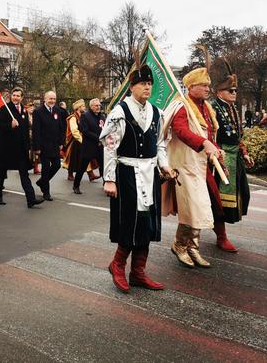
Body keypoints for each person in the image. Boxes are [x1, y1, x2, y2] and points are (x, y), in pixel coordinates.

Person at [100, 63, 173, 293]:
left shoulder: (156, 112)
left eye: (150, 84)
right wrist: (109, 179)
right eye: (143, 84)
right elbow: (110, 147)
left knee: (148, 223)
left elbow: (160, 143)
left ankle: (138, 272)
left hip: (150, 174)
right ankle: (118, 265)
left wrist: (165, 165)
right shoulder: (120, 113)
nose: (147, 88)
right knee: (129, 222)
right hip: (127, 173)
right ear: (132, 87)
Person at [165, 65, 222, 268]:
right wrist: (203, 143)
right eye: (204, 85)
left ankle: (193, 247)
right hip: (185, 165)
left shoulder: (206, 107)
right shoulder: (182, 106)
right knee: (192, 208)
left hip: (201, 165)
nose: (208, 89)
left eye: (208, 85)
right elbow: (180, 130)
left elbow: (208, 136)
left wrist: (215, 148)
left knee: (203, 208)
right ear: (191, 86)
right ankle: (180, 245)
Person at [209, 58, 254, 252]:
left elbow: (237, 136)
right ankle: (221, 236)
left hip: (234, 157)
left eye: (235, 91)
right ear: (220, 92)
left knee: (243, 193)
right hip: (219, 159)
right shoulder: (213, 108)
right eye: (231, 91)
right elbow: (210, 135)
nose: (234, 94)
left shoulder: (232, 108)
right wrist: (218, 156)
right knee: (219, 200)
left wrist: (244, 152)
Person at [0, 87, 44, 208]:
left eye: (18, 96)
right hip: (6, 148)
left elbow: (25, 130)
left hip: (20, 149)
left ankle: (31, 199)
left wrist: (27, 147)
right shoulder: (5, 108)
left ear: (22, 97)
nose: (15, 97)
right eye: (14, 95)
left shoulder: (24, 111)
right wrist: (9, 125)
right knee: (1, 172)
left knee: (24, 173)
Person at [32, 91, 66, 201]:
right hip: (43, 146)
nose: (52, 101)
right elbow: (36, 131)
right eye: (50, 98)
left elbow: (62, 128)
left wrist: (61, 143)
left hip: (55, 145)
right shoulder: (38, 112)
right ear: (45, 99)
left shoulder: (58, 111)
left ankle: (42, 182)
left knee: (56, 165)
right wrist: (36, 147)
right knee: (45, 169)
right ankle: (46, 192)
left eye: (54, 99)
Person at [73, 98, 105, 194]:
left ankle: (106, 184)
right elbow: (85, 131)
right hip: (88, 146)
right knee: (82, 167)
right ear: (91, 106)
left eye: (99, 105)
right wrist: (98, 137)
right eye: (96, 105)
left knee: (103, 166)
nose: (98, 107)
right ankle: (76, 185)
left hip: (100, 146)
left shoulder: (102, 116)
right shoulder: (85, 116)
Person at [63, 99, 89, 181]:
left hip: (82, 140)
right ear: (78, 107)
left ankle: (91, 174)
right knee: (73, 158)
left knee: (87, 157)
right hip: (74, 141)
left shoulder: (83, 116)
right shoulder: (73, 118)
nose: (85, 107)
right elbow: (74, 131)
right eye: (83, 106)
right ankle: (70, 174)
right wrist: (81, 140)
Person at [26, 102, 41, 174]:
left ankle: (36, 168)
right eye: (30, 108)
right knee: (27, 153)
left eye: (33, 108)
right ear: (27, 109)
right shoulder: (24, 117)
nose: (32, 109)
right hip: (27, 137)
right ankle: (24, 168)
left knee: (36, 153)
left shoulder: (35, 116)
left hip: (35, 137)